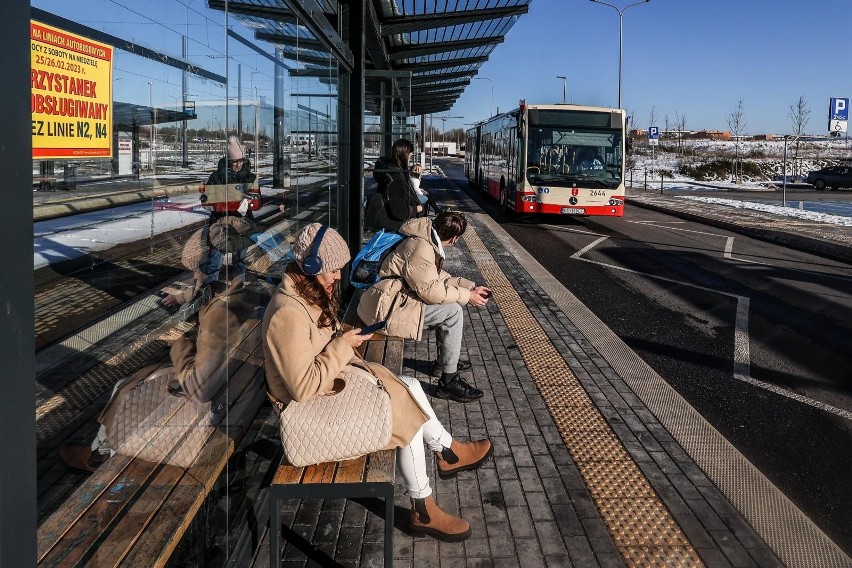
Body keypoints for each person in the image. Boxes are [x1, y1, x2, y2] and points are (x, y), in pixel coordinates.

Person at [263, 223, 492, 542]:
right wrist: (343, 345)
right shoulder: (287, 312)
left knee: (408, 386)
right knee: (403, 416)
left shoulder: (304, 297)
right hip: (307, 416)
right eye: (334, 269)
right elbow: (302, 387)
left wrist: (343, 338)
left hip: (324, 394)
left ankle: (448, 452)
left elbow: (312, 352)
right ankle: (424, 505)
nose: (338, 276)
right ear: (312, 265)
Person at [59, 232, 266, 472]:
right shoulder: (246, 292)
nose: (194, 276)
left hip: (215, 417)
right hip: (236, 396)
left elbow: (200, 389)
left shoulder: (220, 313)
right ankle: (102, 449)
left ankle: (106, 457)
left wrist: (179, 342)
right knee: (137, 380)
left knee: (127, 388)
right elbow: (215, 288)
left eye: (196, 270)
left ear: (210, 269)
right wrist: (183, 297)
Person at [357, 211, 490, 403]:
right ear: (454, 239)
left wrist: (468, 286)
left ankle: (443, 364)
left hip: (387, 300)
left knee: (449, 306)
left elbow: (432, 278)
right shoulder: (421, 248)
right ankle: (448, 382)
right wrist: (467, 296)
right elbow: (431, 291)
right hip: (384, 312)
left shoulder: (423, 239)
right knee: (452, 312)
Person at [365, 139, 425, 231]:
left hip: (387, 224)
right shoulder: (397, 177)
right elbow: (400, 211)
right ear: (404, 154)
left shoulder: (389, 172)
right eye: (410, 154)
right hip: (396, 227)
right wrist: (417, 209)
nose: (410, 158)